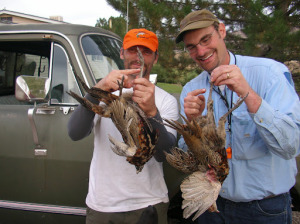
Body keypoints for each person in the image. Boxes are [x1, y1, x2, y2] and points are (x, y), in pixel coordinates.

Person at [176, 9, 300, 224]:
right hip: (212, 204)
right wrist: (192, 126)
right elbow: (188, 160)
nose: (201, 51)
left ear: (221, 31)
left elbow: (290, 146)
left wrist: (248, 94)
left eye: (206, 39)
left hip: (264, 209)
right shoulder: (191, 89)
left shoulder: (270, 74)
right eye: (192, 47)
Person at [68, 28, 179, 224]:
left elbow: (166, 155)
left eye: (146, 52)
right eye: (132, 50)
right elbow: (74, 133)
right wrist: (95, 91)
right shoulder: (102, 91)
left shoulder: (165, 101)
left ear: (155, 58)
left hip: (149, 204)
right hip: (104, 205)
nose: (139, 57)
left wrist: (153, 112)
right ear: (121, 53)